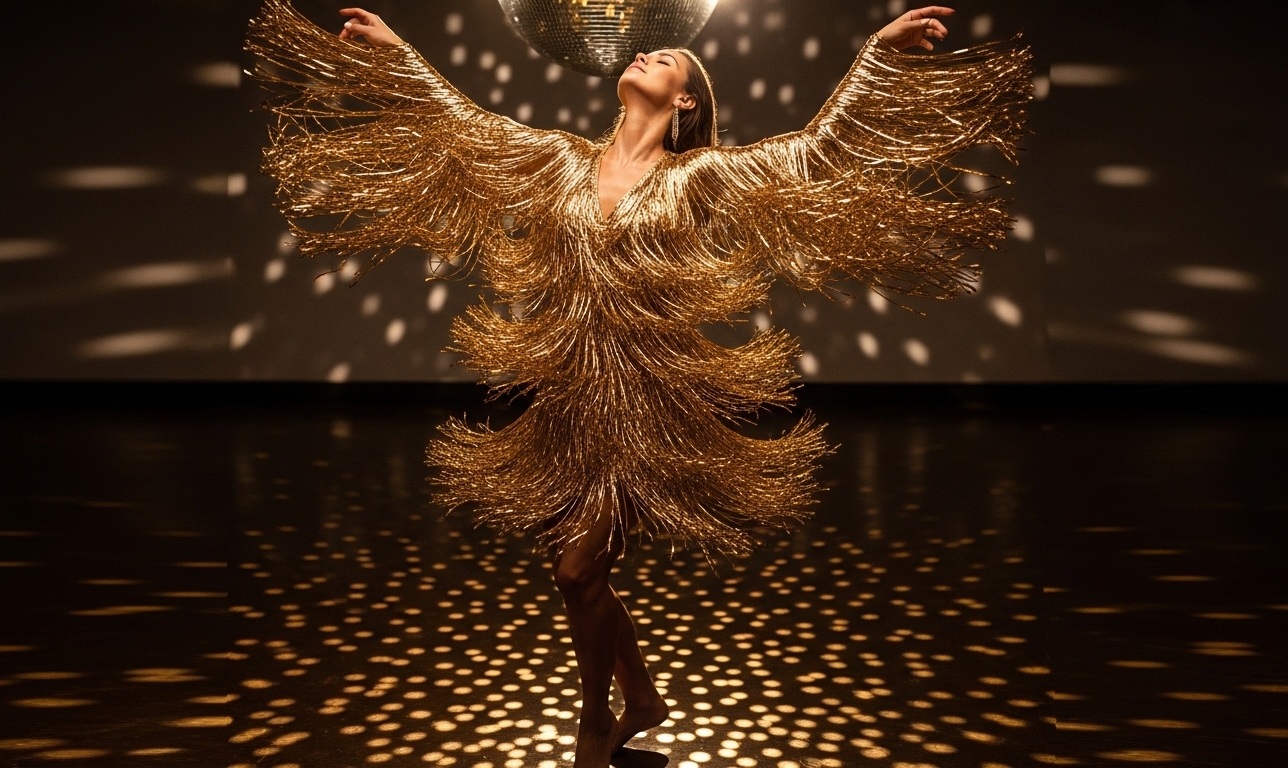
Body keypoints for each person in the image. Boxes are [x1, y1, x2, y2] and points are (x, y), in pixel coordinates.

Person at [247, 3, 1030, 765]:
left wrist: (878, 52)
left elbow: (817, 151)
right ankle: (644, 699)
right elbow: (466, 125)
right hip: (565, 400)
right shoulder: (560, 160)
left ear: (686, 97)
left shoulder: (703, 179)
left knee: (575, 571)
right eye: (641, 55)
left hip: (647, 407)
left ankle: (596, 720)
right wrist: (393, 49)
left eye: (666, 59)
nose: (644, 56)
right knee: (580, 583)